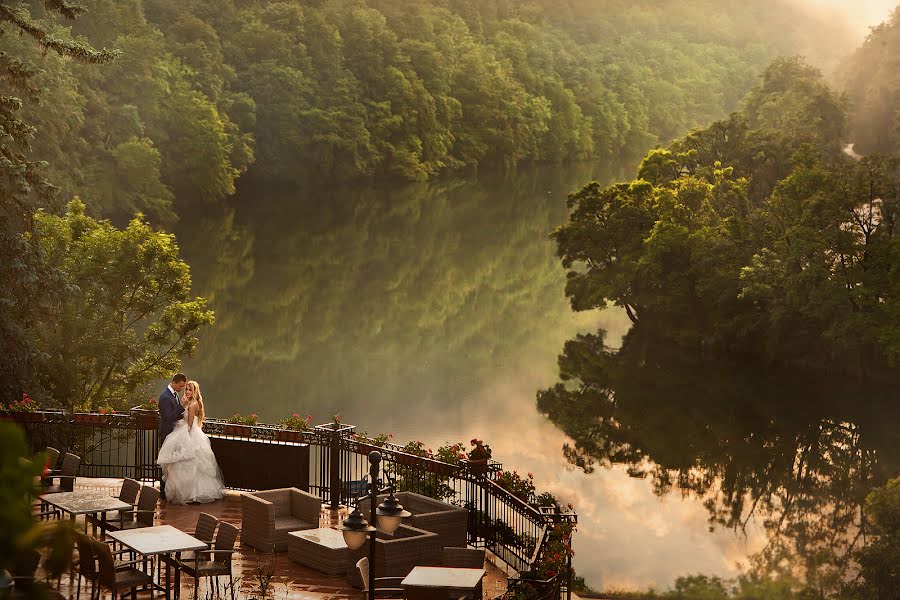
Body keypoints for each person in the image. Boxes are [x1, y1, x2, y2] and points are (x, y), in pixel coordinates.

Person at [156, 380, 225, 504]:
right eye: (186, 389)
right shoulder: (190, 402)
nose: (187, 391)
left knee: (190, 463)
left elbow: (189, 424)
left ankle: (191, 493)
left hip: (189, 433)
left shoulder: (193, 405)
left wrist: (184, 440)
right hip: (187, 430)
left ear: (195, 391)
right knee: (181, 464)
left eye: (189, 389)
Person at [157, 373, 187, 496]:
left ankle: (170, 489)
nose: (181, 389)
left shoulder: (174, 395)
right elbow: (168, 418)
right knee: (166, 462)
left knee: (172, 463)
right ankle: (163, 492)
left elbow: (175, 415)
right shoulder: (165, 397)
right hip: (167, 434)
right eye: (180, 386)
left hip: (174, 435)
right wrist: (181, 407)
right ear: (174, 382)